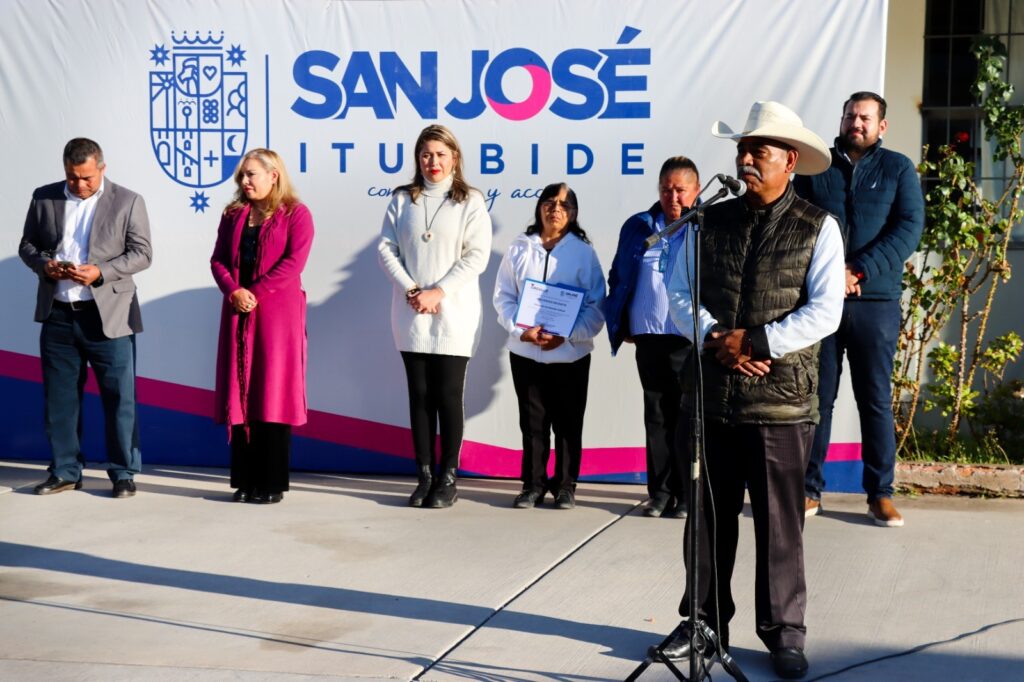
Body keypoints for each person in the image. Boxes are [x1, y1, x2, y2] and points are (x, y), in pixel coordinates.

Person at [660, 101, 844, 679]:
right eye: (742, 149)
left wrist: (758, 342)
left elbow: (825, 311)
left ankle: (784, 634)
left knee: (779, 525)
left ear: (790, 160)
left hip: (782, 403)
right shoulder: (708, 221)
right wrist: (719, 338)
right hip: (713, 395)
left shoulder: (819, 226)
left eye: (758, 151)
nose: (745, 159)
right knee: (708, 520)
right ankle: (703, 622)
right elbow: (676, 290)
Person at [795, 92, 925, 527]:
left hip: (876, 303)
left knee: (875, 401)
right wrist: (832, 275)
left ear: (882, 126)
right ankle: (809, 491)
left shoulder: (898, 169)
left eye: (865, 118)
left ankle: (880, 495)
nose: (857, 123)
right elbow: (798, 224)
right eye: (851, 115)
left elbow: (908, 227)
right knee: (818, 401)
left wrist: (859, 270)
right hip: (822, 303)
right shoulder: (816, 168)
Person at [19, 138, 153, 498]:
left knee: (119, 398)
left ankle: (123, 472)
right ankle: (64, 470)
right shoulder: (44, 196)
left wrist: (101, 272)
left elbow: (142, 253)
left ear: (102, 169)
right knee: (60, 400)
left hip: (108, 316)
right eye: (72, 177)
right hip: (58, 314)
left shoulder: (128, 201)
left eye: (87, 178)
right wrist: (44, 265)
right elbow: (27, 245)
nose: (79, 184)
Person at [378, 124, 492, 508]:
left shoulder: (471, 201)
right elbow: (386, 249)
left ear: (455, 158)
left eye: (441, 154)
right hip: (410, 314)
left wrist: (438, 292)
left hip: (453, 314)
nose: (433, 162)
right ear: (417, 159)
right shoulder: (402, 199)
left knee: (447, 394)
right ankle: (424, 475)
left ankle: (448, 477)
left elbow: (476, 255)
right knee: (420, 396)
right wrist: (413, 290)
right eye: (426, 154)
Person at [493, 183, 606, 510]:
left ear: (573, 213)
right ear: (539, 207)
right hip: (526, 352)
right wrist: (520, 330)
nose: (555, 209)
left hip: (570, 355)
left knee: (569, 422)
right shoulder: (519, 248)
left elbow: (597, 305)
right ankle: (533, 484)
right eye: (549, 202)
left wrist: (568, 335)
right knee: (532, 422)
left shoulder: (583, 252)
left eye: (564, 204)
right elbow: (503, 296)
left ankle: (567, 485)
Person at [211, 148, 314, 504]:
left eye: (251, 174)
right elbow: (218, 259)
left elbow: (293, 262)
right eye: (242, 175)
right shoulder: (234, 214)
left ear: (274, 175)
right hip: (239, 312)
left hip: (276, 317)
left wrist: (253, 292)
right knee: (241, 394)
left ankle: (270, 483)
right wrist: (234, 291)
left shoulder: (295, 214)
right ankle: (245, 480)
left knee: (271, 393)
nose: (244, 181)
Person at [605, 157, 700, 518]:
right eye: (666, 189)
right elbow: (619, 273)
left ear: (696, 189)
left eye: (680, 190)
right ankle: (659, 493)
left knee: (687, 418)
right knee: (656, 416)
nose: (672, 197)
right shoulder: (639, 225)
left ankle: (687, 494)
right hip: (648, 338)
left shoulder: (703, 227)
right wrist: (624, 320)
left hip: (687, 339)